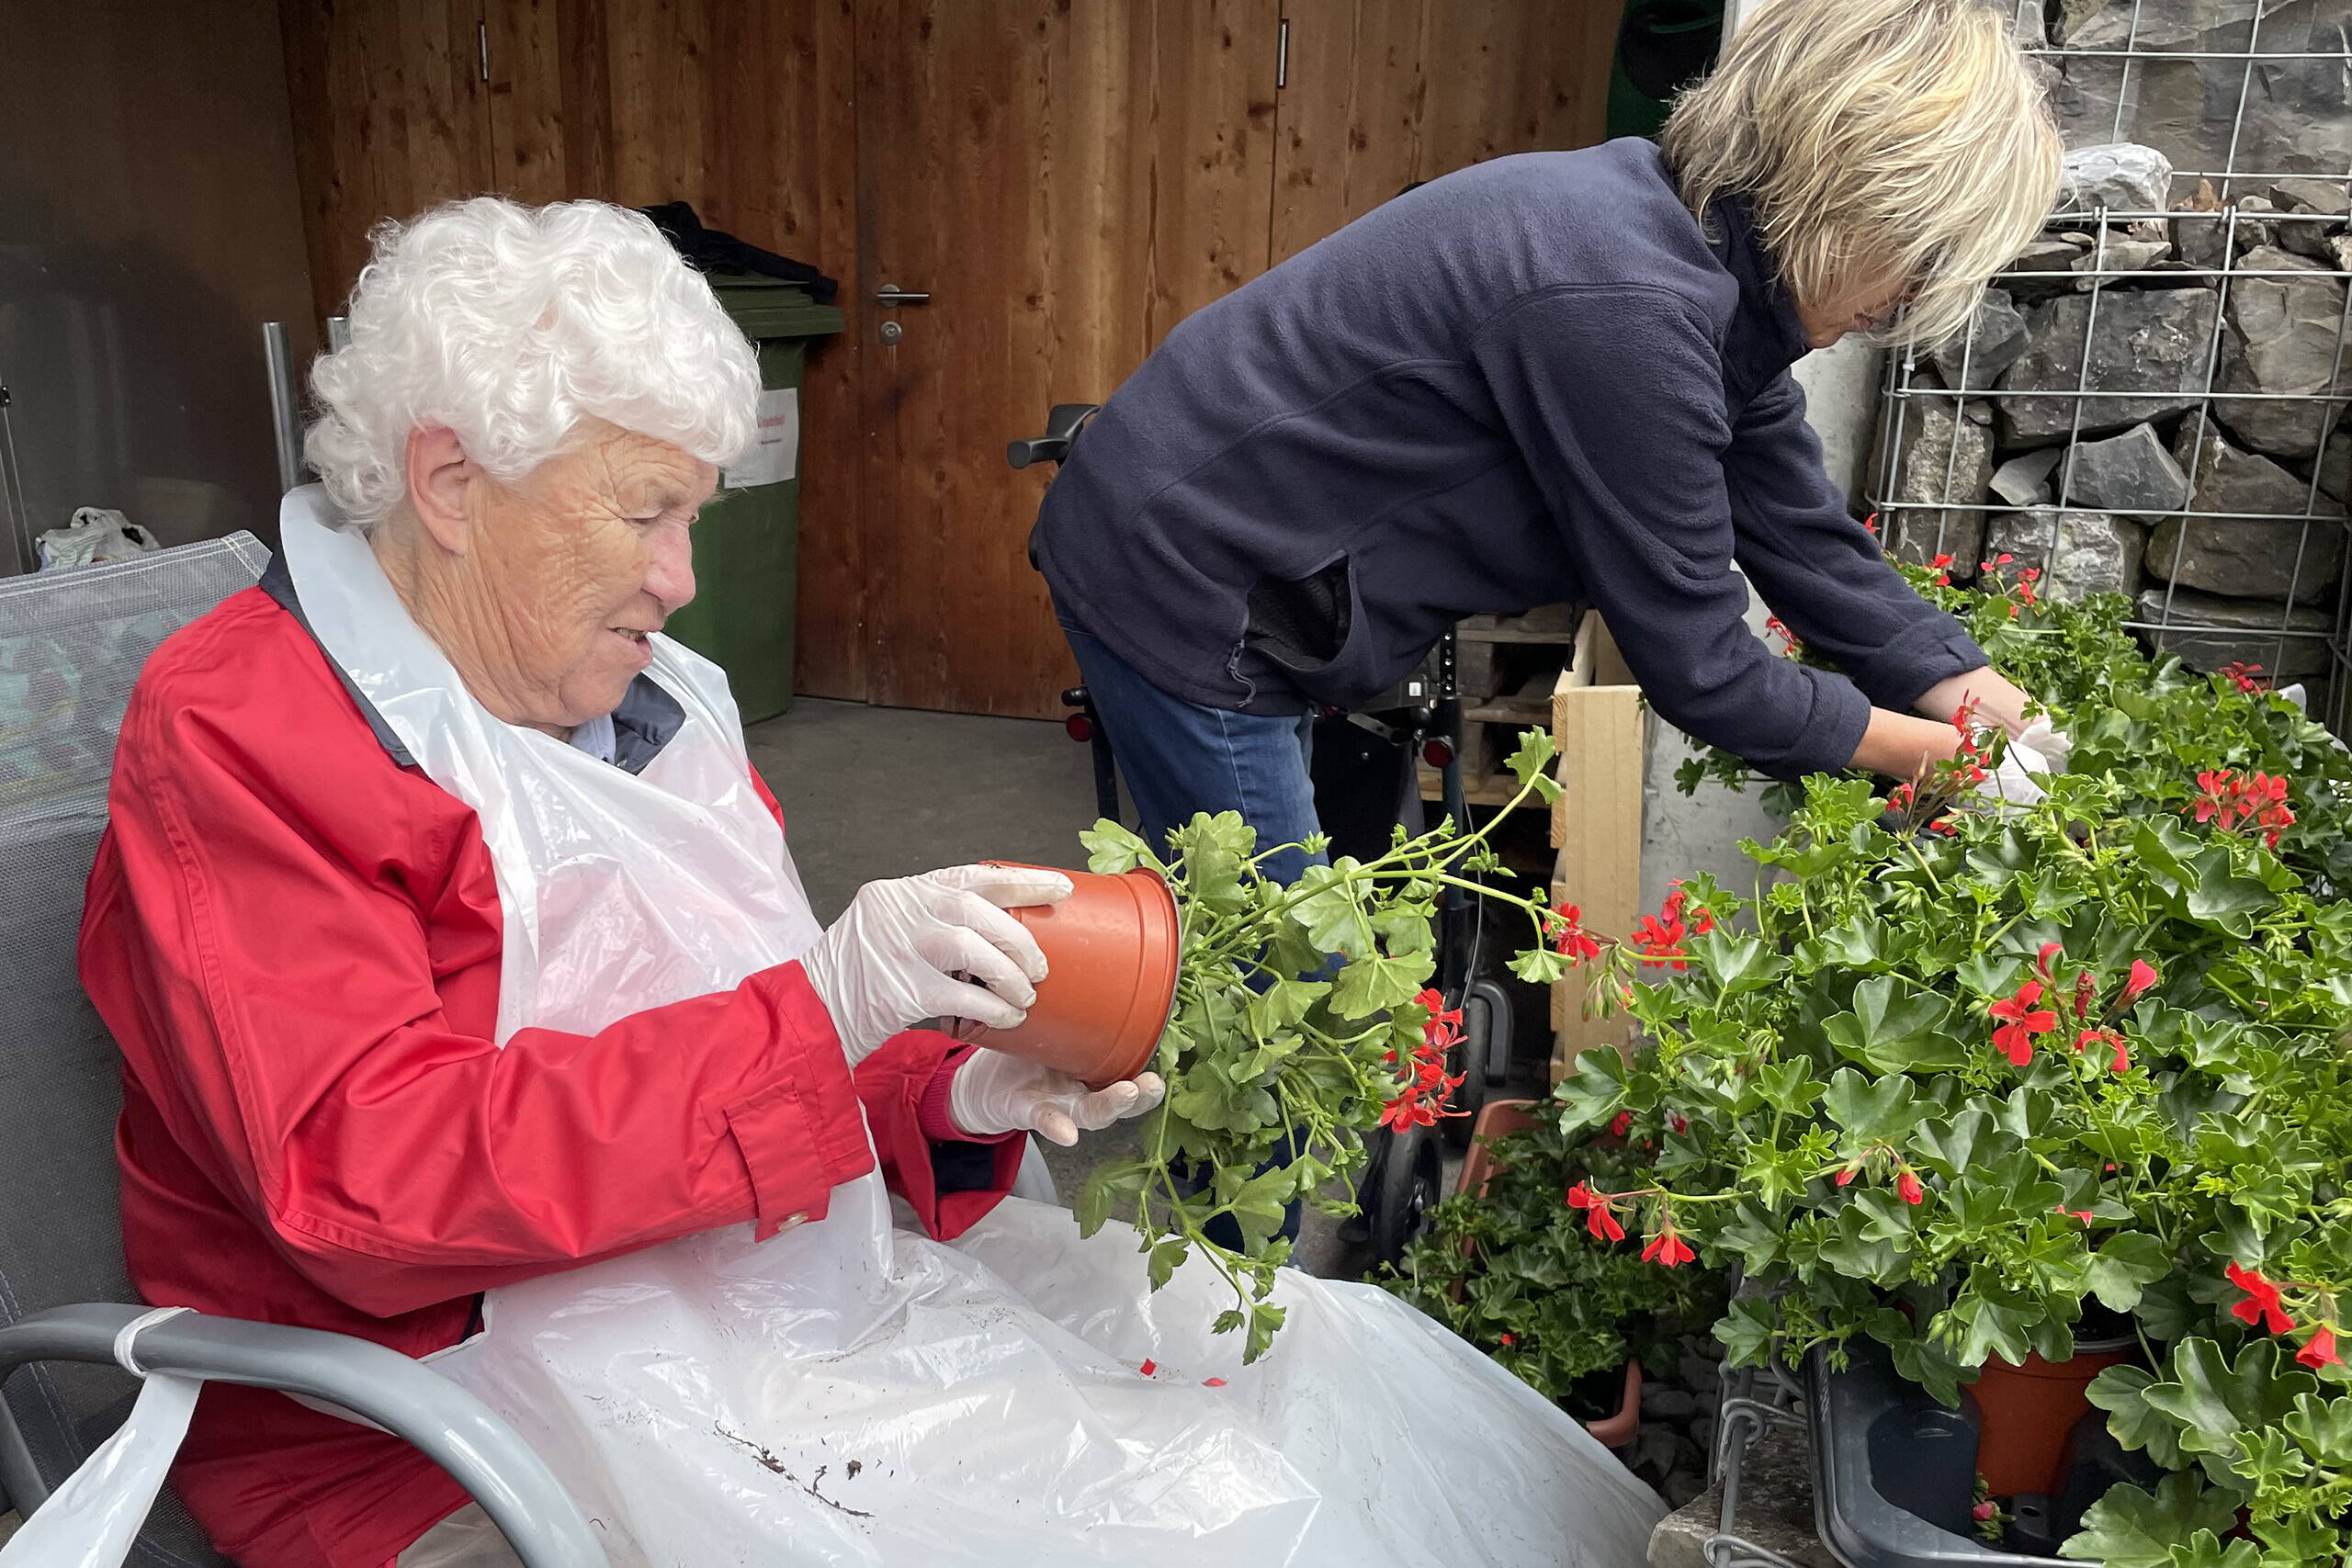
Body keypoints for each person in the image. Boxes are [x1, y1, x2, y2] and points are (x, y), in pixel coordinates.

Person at [79, 197, 1664, 1568]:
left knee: (1277, 1408)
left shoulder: (655, 700)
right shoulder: (249, 734)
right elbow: (364, 1184)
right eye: (644, 512)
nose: (682, 579)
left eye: (694, 515)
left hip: (730, 1315)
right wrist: (821, 1015)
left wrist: (945, 1085)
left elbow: (739, 1033)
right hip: (425, 1432)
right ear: (449, 480)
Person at [1033, 0, 2071, 877]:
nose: (1911, 296)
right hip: (1185, 574)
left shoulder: (1705, 262)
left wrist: (1976, 694)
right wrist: (1936, 759)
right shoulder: (1629, 308)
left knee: (1299, 927)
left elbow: (1798, 532)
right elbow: (1704, 669)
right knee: (1287, 980)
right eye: (1919, 255)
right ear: (1850, 190)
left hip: (1260, 555)